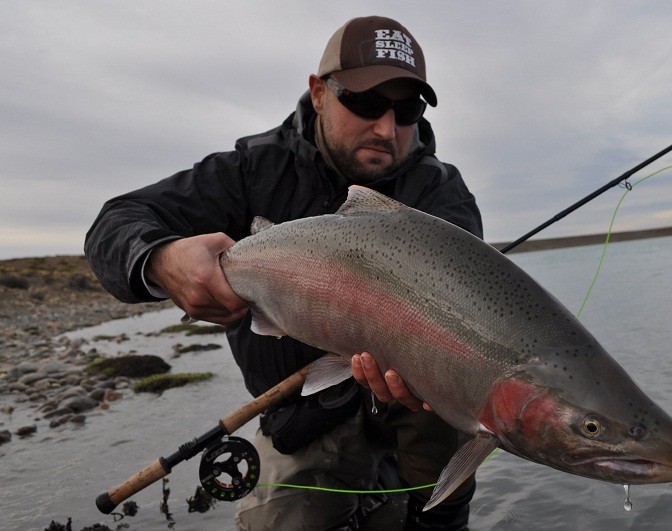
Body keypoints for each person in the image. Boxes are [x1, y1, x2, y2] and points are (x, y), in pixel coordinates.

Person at [85, 15, 482, 531]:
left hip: (414, 418)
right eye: (364, 102)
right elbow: (113, 224)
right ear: (318, 93)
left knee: (443, 446)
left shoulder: (441, 195)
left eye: (405, 110)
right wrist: (160, 259)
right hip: (299, 419)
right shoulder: (254, 169)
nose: (386, 128)